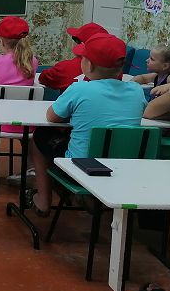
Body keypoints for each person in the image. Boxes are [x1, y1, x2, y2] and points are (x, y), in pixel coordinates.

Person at [29, 33, 147, 216]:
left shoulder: (79, 88)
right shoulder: (136, 90)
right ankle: (91, 198)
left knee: (39, 136)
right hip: (125, 167)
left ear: (88, 65)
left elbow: (51, 117)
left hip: (82, 167)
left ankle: (43, 200)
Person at [0, 16, 39, 167]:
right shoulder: (33, 61)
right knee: (23, 121)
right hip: (26, 122)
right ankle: (31, 164)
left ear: (2, 41)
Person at [38, 22, 108, 92]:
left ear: (82, 44)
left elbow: (43, 78)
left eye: (75, 39)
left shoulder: (64, 67)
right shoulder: (113, 71)